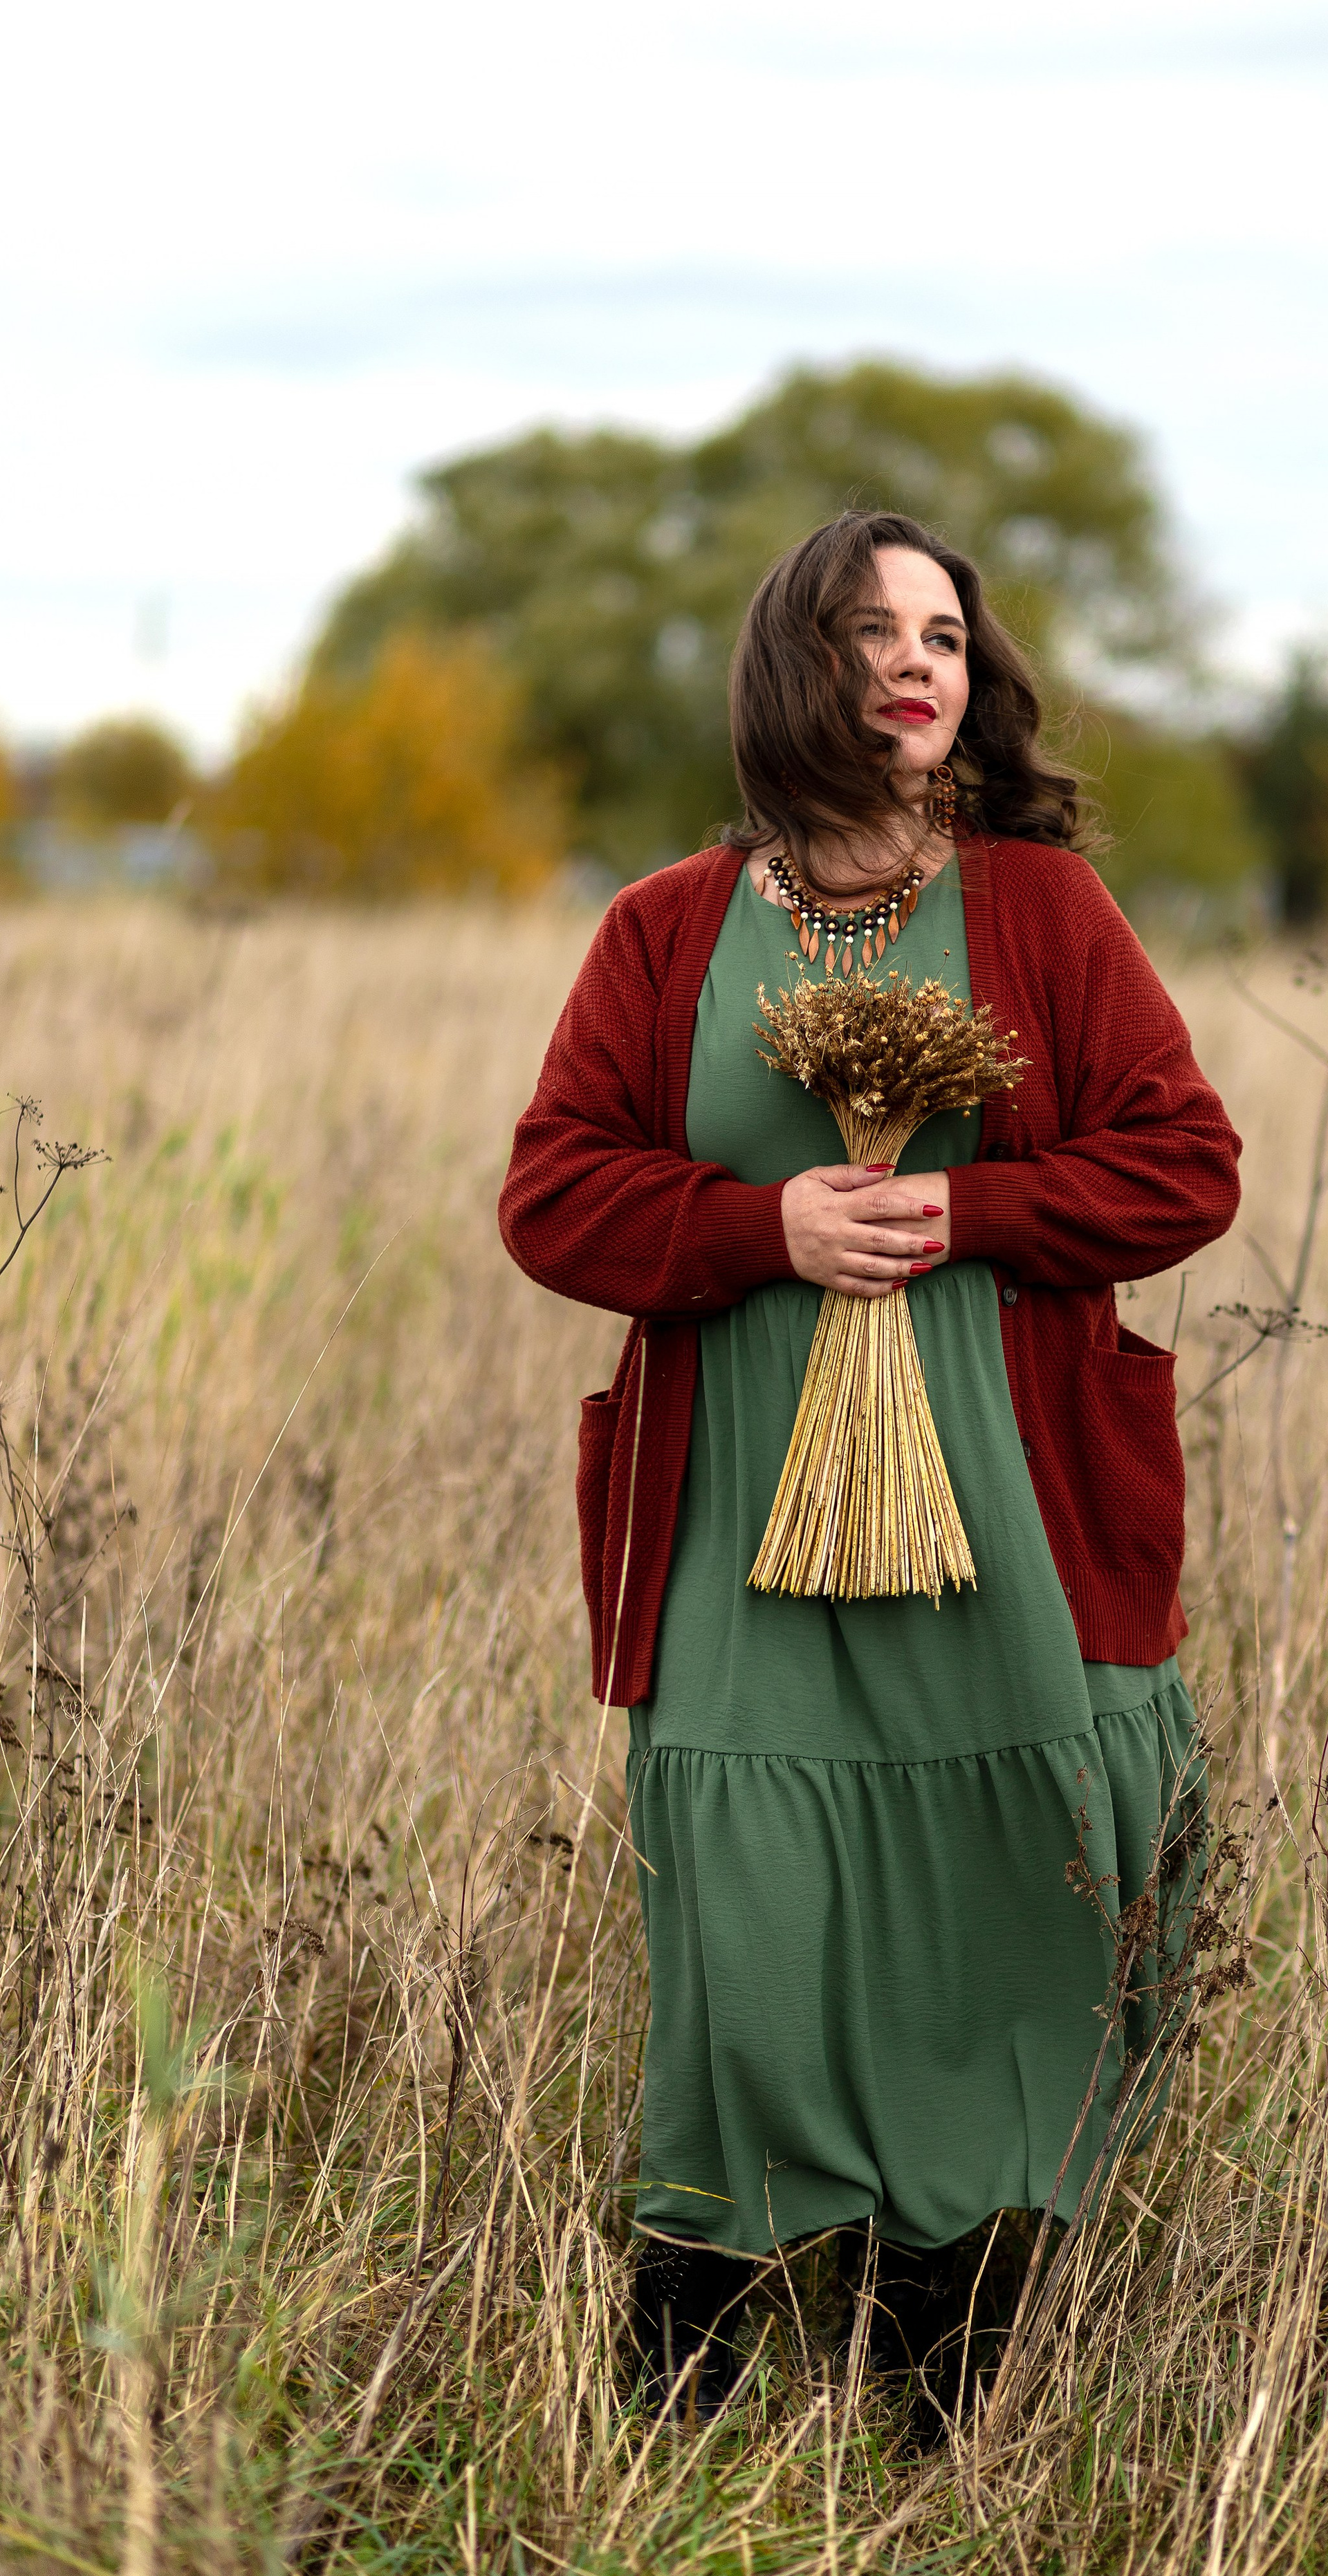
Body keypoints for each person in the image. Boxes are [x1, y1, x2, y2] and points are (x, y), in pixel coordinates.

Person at [499, 510, 1242, 2427]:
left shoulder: (1045, 914)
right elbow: (553, 1192)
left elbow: (1186, 1165)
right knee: (744, 1914)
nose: (919, 665)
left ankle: (941, 2344)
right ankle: (693, 2350)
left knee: (1022, 1889)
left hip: (1007, 1519)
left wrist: (956, 1206)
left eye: (947, 636)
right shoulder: (664, 929)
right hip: (741, 1525)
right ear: (788, 669)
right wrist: (765, 1231)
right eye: (869, 632)